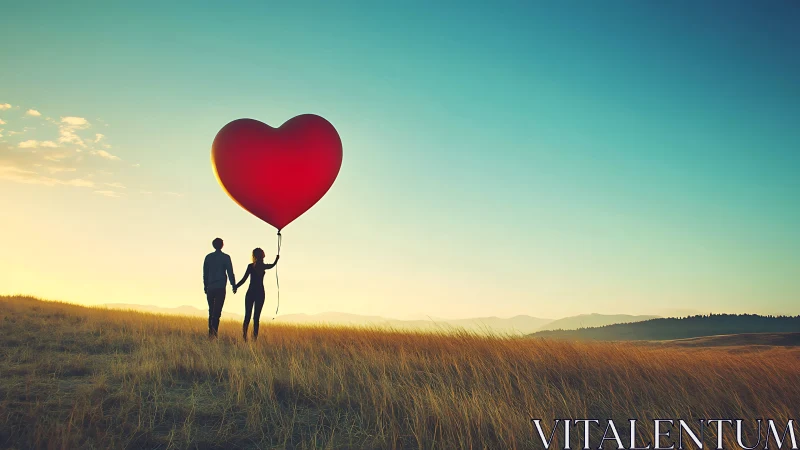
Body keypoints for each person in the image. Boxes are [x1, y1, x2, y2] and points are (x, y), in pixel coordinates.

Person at [235, 248, 279, 341]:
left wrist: (235, 286)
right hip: (260, 292)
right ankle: (254, 339)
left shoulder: (250, 266)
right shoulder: (263, 266)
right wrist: (276, 259)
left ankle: (244, 337)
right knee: (256, 317)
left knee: (247, 315)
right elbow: (272, 265)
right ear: (263, 255)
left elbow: (244, 279)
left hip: (250, 292)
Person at [203, 237, 236, 339]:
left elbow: (205, 273)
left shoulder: (208, 257)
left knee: (211, 310)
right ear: (222, 245)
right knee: (217, 311)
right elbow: (230, 272)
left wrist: (205, 285)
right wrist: (233, 285)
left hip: (210, 287)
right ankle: (214, 333)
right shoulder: (226, 257)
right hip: (220, 287)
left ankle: (211, 333)